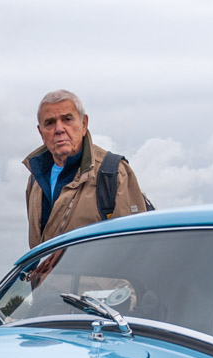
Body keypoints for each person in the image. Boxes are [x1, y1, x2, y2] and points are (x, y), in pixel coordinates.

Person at [23, 90, 151, 249]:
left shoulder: (113, 172)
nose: (59, 129)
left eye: (67, 119)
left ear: (84, 124)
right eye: (50, 123)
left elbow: (135, 247)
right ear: (41, 132)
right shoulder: (35, 179)